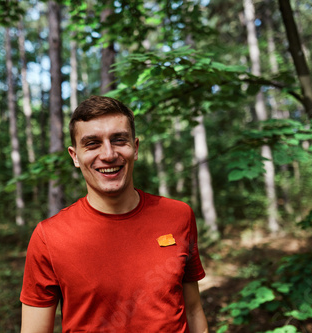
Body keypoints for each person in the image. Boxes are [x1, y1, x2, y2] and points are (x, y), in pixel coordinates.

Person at [20, 96, 208, 333]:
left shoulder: (178, 215)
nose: (108, 154)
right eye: (92, 144)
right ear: (75, 156)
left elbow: (192, 310)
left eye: (119, 140)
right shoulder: (49, 236)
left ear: (135, 148)